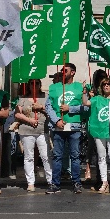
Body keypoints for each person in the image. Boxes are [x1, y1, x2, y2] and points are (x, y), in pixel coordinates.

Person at [45, 63, 85, 194]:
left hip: (74, 126)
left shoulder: (79, 87)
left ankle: (76, 182)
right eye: (62, 70)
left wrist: (70, 108)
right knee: (57, 156)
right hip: (58, 127)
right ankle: (55, 184)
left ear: (73, 72)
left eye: (65, 70)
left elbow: (86, 107)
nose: (63, 72)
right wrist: (56, 120)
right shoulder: (54, 88)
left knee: (75, 156)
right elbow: (48, 107)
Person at [82, 78, 110, 194]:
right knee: (101, 157)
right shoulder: (96, 99)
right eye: (104, 84)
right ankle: (104, 182)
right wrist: (84, 92)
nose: (106, 86)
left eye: (108, 84)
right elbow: (86, 103)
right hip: (99, 131)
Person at [14, 79, 52, 192]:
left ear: (40, 85)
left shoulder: (45, 97)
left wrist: (41, 108)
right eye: (32, 83)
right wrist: (29, 120)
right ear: (29, 85)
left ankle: (50, 180)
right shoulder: (23, 98)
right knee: (29, 157)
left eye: (37, 83)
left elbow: (51, 111)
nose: (34, 86)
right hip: (26, 130)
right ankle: (30, 182)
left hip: (41, 130)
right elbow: (17, 114)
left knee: (46, 156)